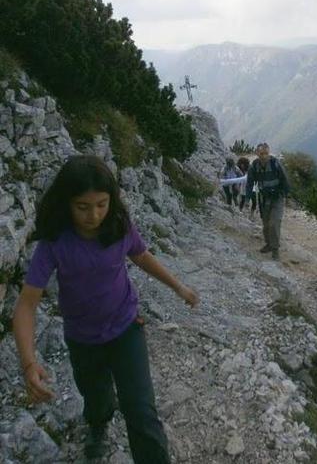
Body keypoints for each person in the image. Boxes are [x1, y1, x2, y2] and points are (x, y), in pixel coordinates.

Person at [12, 154, 199, 463]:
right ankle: (98, 426)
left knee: (141, 411)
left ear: (111, 199)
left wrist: (178, 286)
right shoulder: (55, 242)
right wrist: (29, 364)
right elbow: (26, 305)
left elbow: (140, 256)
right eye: (82, 207)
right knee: (98, 403)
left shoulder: (118, 225)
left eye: (101, 204)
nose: (94, 215)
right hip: (83, 340)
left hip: (127, 328)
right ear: (66, 203)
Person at [245, 143, 290, 261]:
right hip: (264, 199)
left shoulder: (275, 164)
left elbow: (285, 179)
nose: (264, 156)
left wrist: (286, 194)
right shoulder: (254, 166)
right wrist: (247, 199)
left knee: (274, 223)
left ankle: (275, 250)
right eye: (261, 154)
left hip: (277, 197)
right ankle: (269, 244)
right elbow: (249, 183)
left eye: (266, 153)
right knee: (265, 224)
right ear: (257, 154)